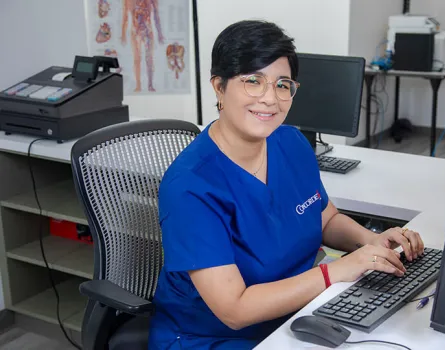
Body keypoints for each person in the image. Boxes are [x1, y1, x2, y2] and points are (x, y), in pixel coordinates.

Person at [148, 20, 425, 349]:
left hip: (298, 313)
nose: (270, 99)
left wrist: (373, 244)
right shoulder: (191, 187)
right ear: (219, 87)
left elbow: (327, 219)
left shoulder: (290, 143)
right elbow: (234, 309)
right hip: (213, 337)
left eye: (283, 85)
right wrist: (334, 273)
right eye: (253, 81)